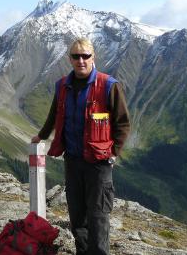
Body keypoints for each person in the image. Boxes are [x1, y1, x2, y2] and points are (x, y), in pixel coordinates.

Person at [31, 38, 130, 255]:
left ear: (93, 57)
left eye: (85, 55)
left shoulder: (109, 85)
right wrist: (42, 135)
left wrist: (113, 155)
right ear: (70, 59)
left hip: (99, 164)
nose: (81, 60)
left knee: (98, 216)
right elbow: (54, 114)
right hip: (73, 160)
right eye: (76, 56)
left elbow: (122, 122)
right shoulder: (62, 86)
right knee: (77, 216)